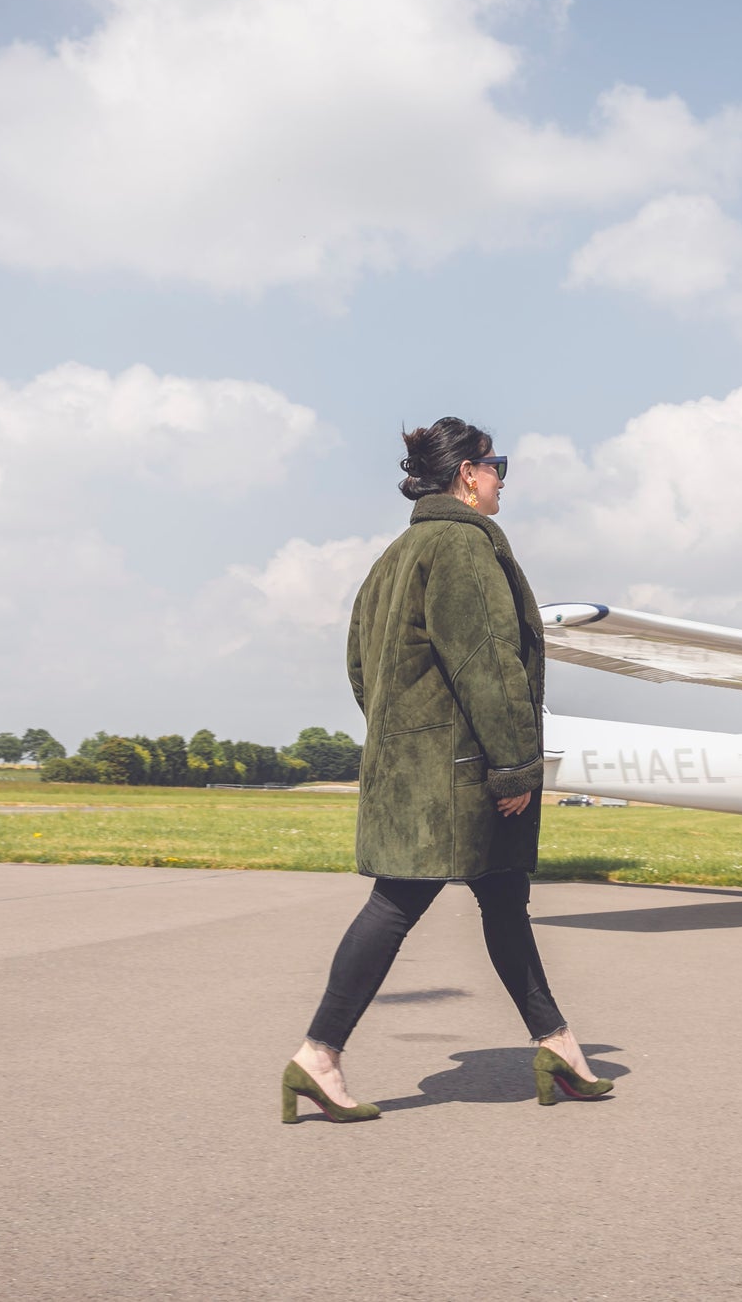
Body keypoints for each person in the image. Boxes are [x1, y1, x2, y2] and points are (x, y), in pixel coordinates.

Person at [281, 416, 613, 1124]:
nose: (502, 480)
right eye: (498, 466)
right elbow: (489, 666)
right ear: (468, 472)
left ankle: (560, 1046)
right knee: (398, 903)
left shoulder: (396, 554)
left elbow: (359, 667)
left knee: (502, 904)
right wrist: (516, 765)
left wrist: (404, 737)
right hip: (463, 777)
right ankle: (318, 1055)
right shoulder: (463, 548)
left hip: (420, 767)